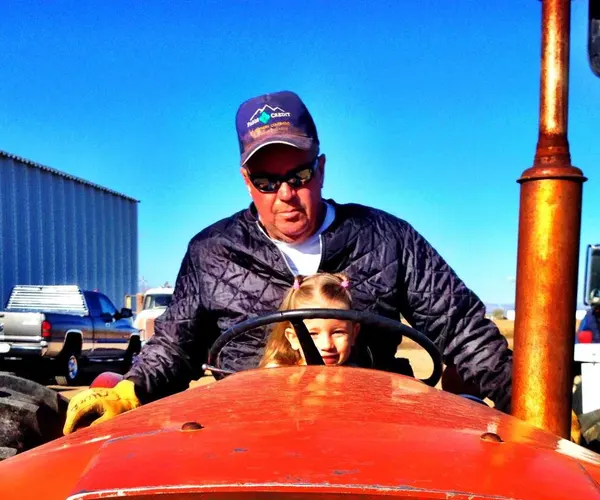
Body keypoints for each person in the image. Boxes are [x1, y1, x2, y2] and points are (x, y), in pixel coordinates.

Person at [64, 89, 512, 433]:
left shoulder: (388, 238)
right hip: (247, 429)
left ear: (320, 169)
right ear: (246, 181)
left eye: (297, 176)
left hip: (368, 427)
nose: (284, 194)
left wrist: (523, 398)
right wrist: (129, 391)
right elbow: (175, 346)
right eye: (265, 180)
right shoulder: (212, 252)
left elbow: (461, 328)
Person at [260, 273, 359, 368]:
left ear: (353, 334)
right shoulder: (280, 375)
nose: (327, 345)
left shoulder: (359, 376)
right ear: (293, 338)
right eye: (312, 334)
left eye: (338, 332)